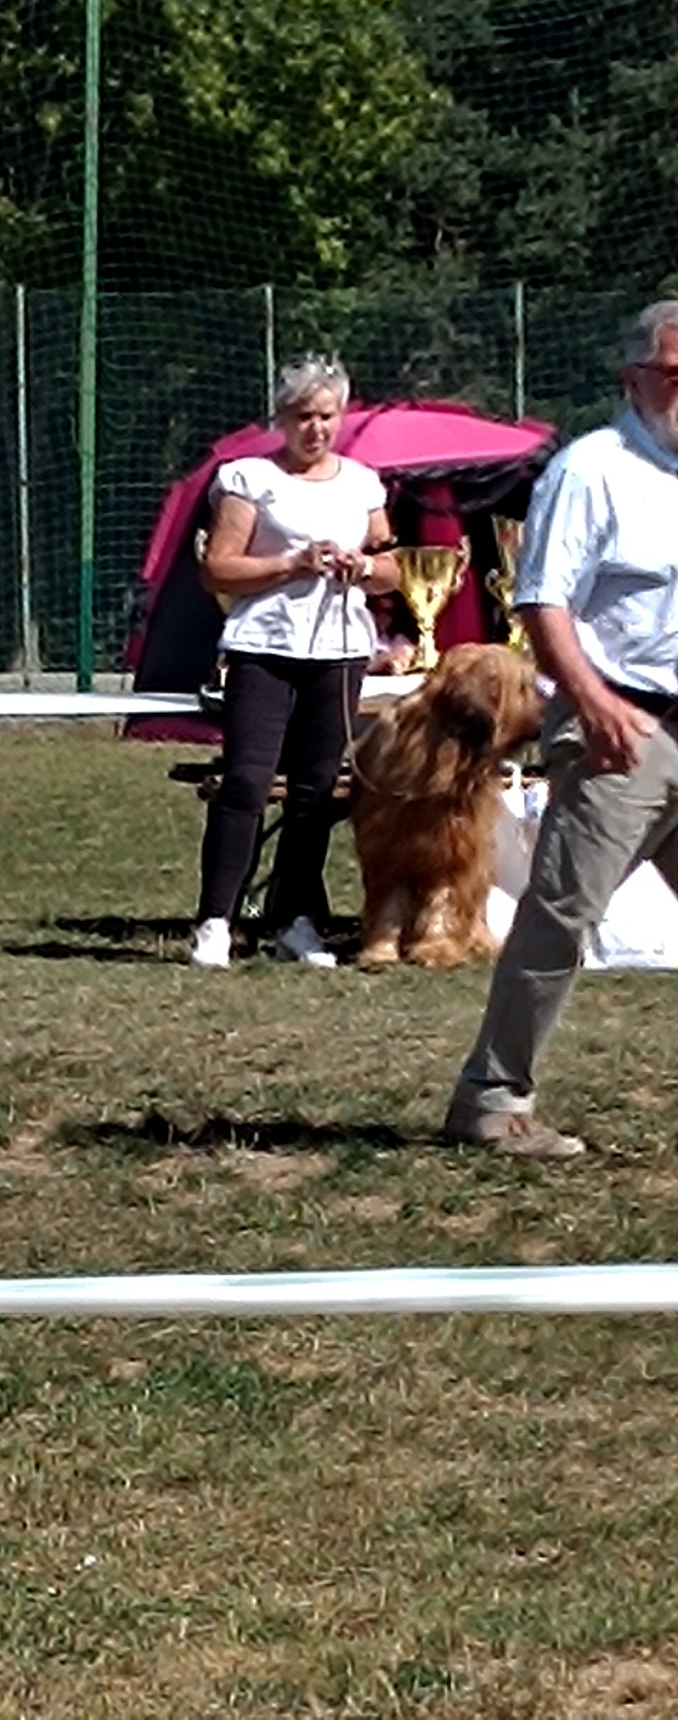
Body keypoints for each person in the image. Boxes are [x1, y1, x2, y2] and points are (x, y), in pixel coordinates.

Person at [444, 298, 678, 1160]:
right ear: (633, 378)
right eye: (675, 376)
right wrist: (595, 702)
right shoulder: (591, 471)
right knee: (562, 916)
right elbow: (543, 603)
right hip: (621, 727)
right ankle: (491, 1098)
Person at [190, 355, 398, 968]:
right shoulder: (248, 478)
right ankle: (216, 920)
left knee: (316, 790)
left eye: (327, 416)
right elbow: (217, 569)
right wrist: (290, 565)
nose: (316, 428)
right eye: (304, 416)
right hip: (264, 646)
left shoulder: (362, 485)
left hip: (339, 650)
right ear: (281, 419)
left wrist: (363, 567)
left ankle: (297, 920)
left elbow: (392, 570)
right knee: (247, 783)